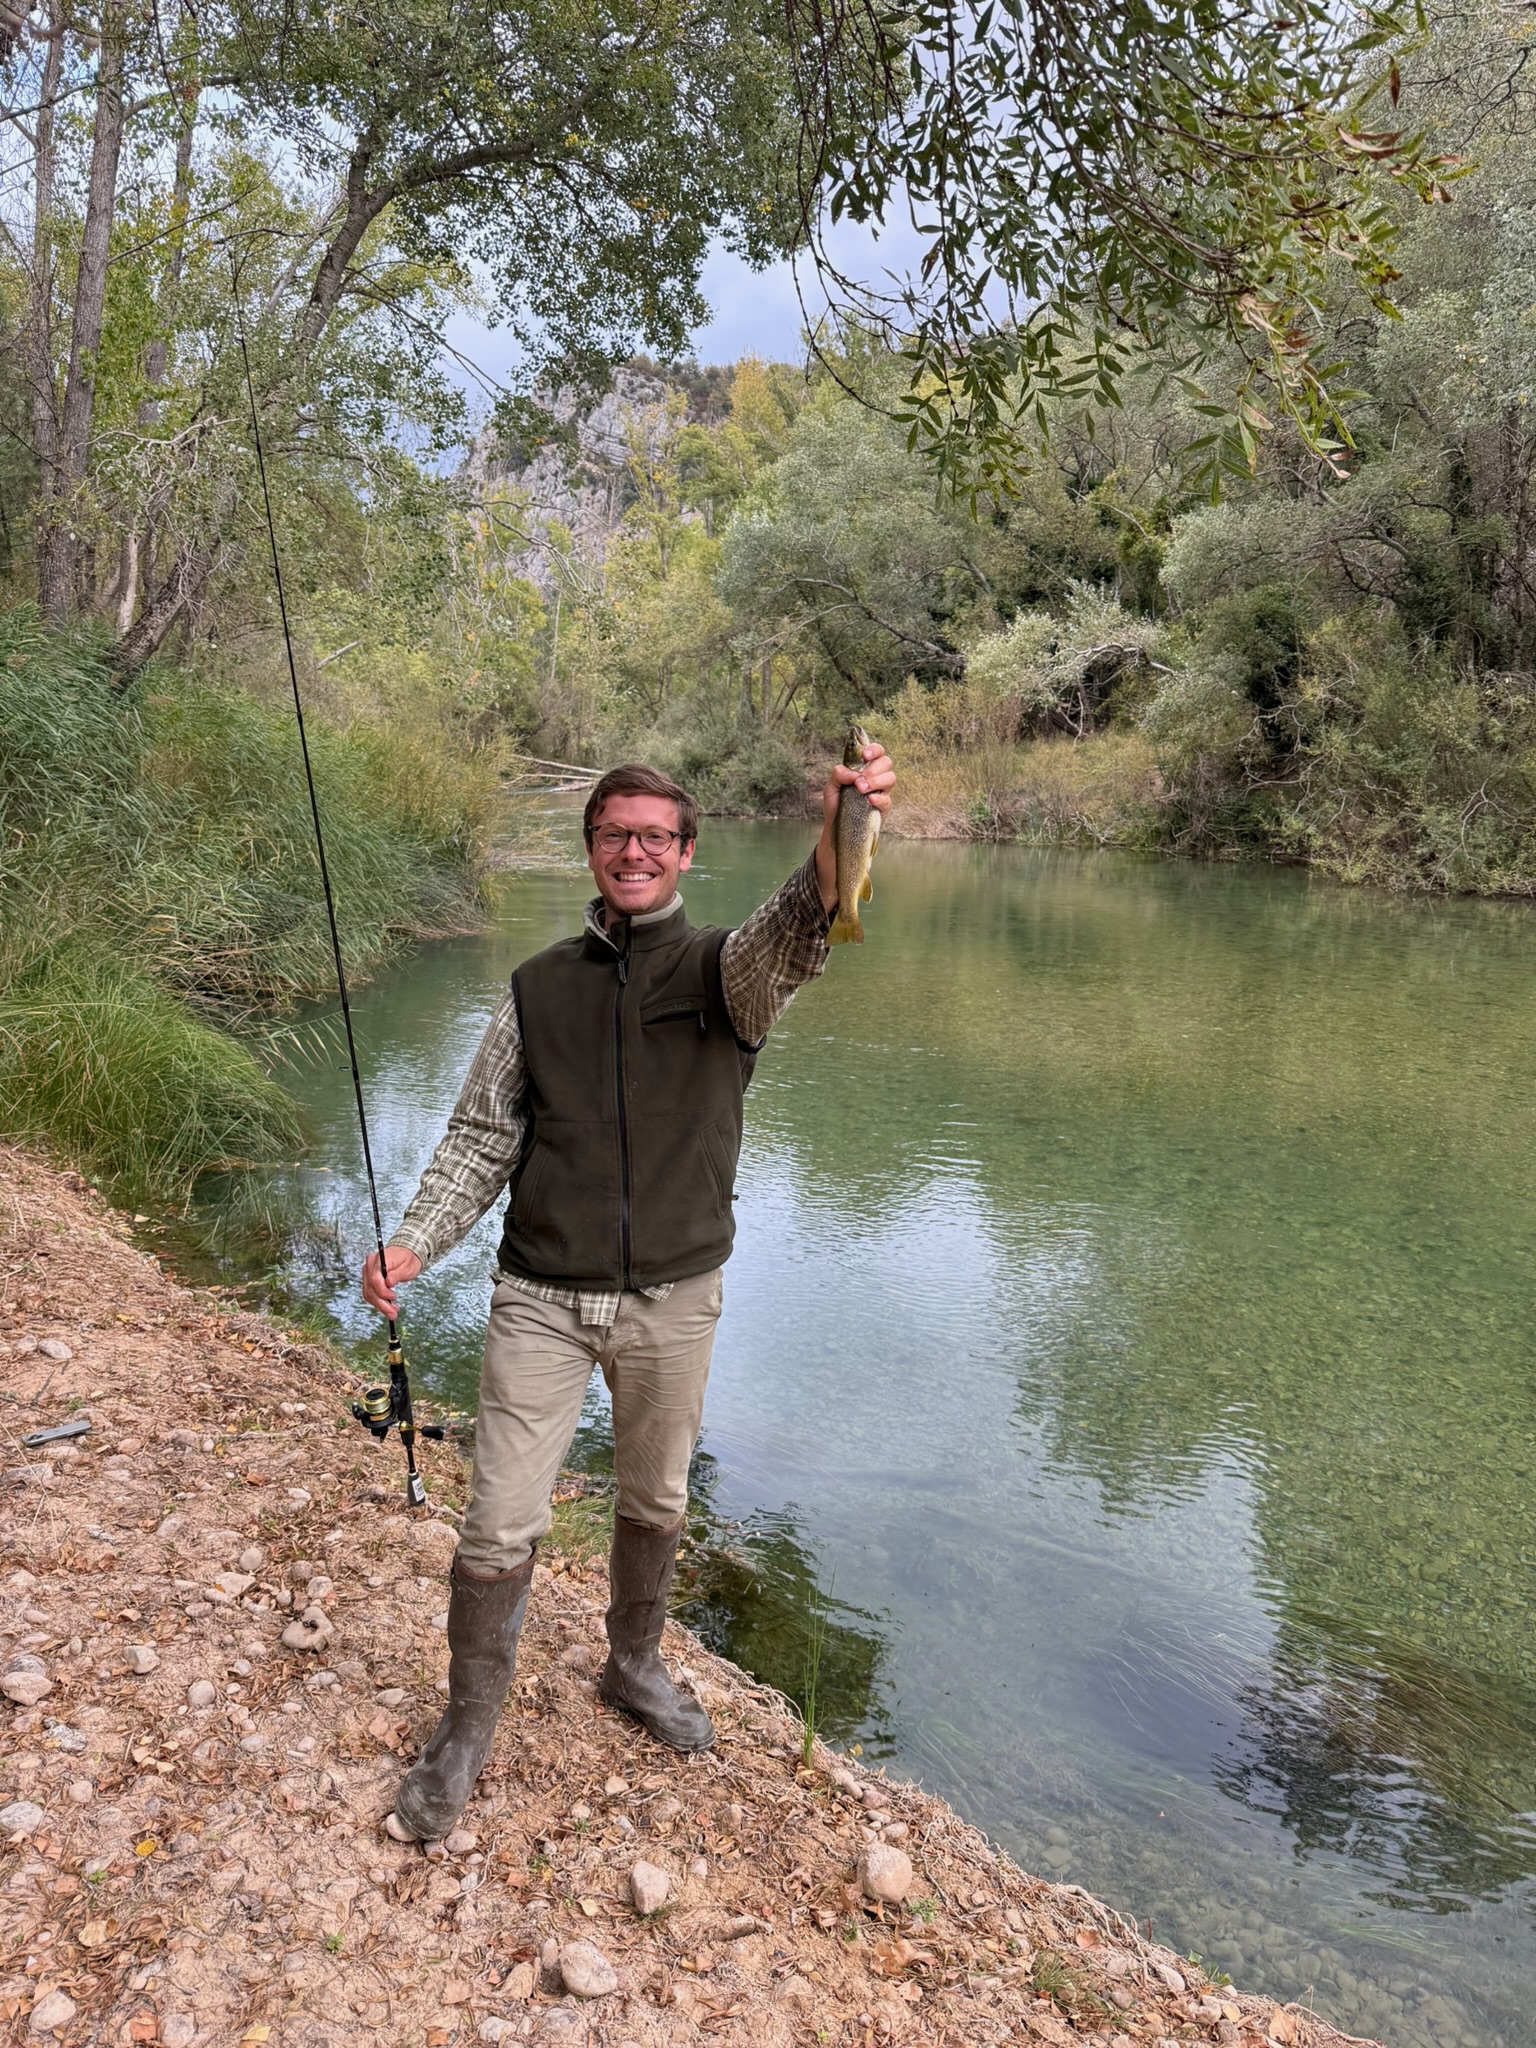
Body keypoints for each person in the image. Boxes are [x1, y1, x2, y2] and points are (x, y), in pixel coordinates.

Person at [361, 739, 895, 1843]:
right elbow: (476, 1138)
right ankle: (467, 1726)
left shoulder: (722, 975)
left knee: (655, 1497)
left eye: (657, 835)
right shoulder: (533, 989)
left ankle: (635, 1660)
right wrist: (413, 1243)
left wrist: (835, 838)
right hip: (540, 1294)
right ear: (591, 850)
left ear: (688, 853)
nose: (636, 850)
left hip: (675, 1295)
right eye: (617, 834)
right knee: (499, 1513)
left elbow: (794, 936)